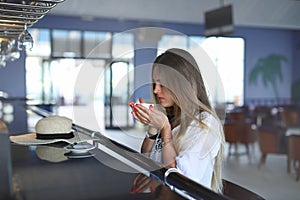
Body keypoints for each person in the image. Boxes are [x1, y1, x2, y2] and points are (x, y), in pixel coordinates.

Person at [129, 48, 225, 193]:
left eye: (162, 84)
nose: (155, 90)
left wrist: (166, 130)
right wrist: (153, 128)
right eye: (154, 84)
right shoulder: (170, 114)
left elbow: (178, 179)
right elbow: (147, 157)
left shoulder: (206, 124)